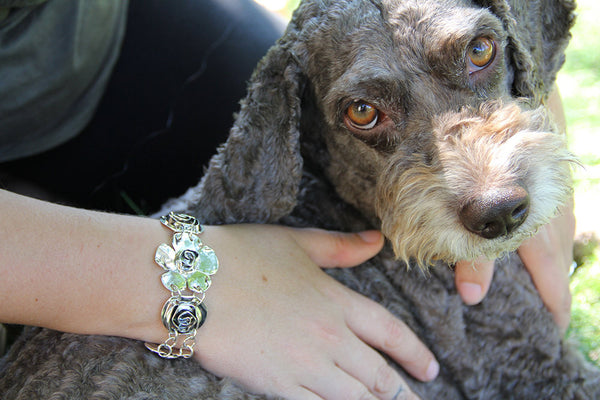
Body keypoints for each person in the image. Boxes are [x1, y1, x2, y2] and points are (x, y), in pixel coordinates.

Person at [0, 0, 575, 399]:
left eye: (478, 51)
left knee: (351, 41)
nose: (489, 189)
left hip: (80, 31)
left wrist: (533, 85)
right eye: (365, 112)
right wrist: (193, 280)